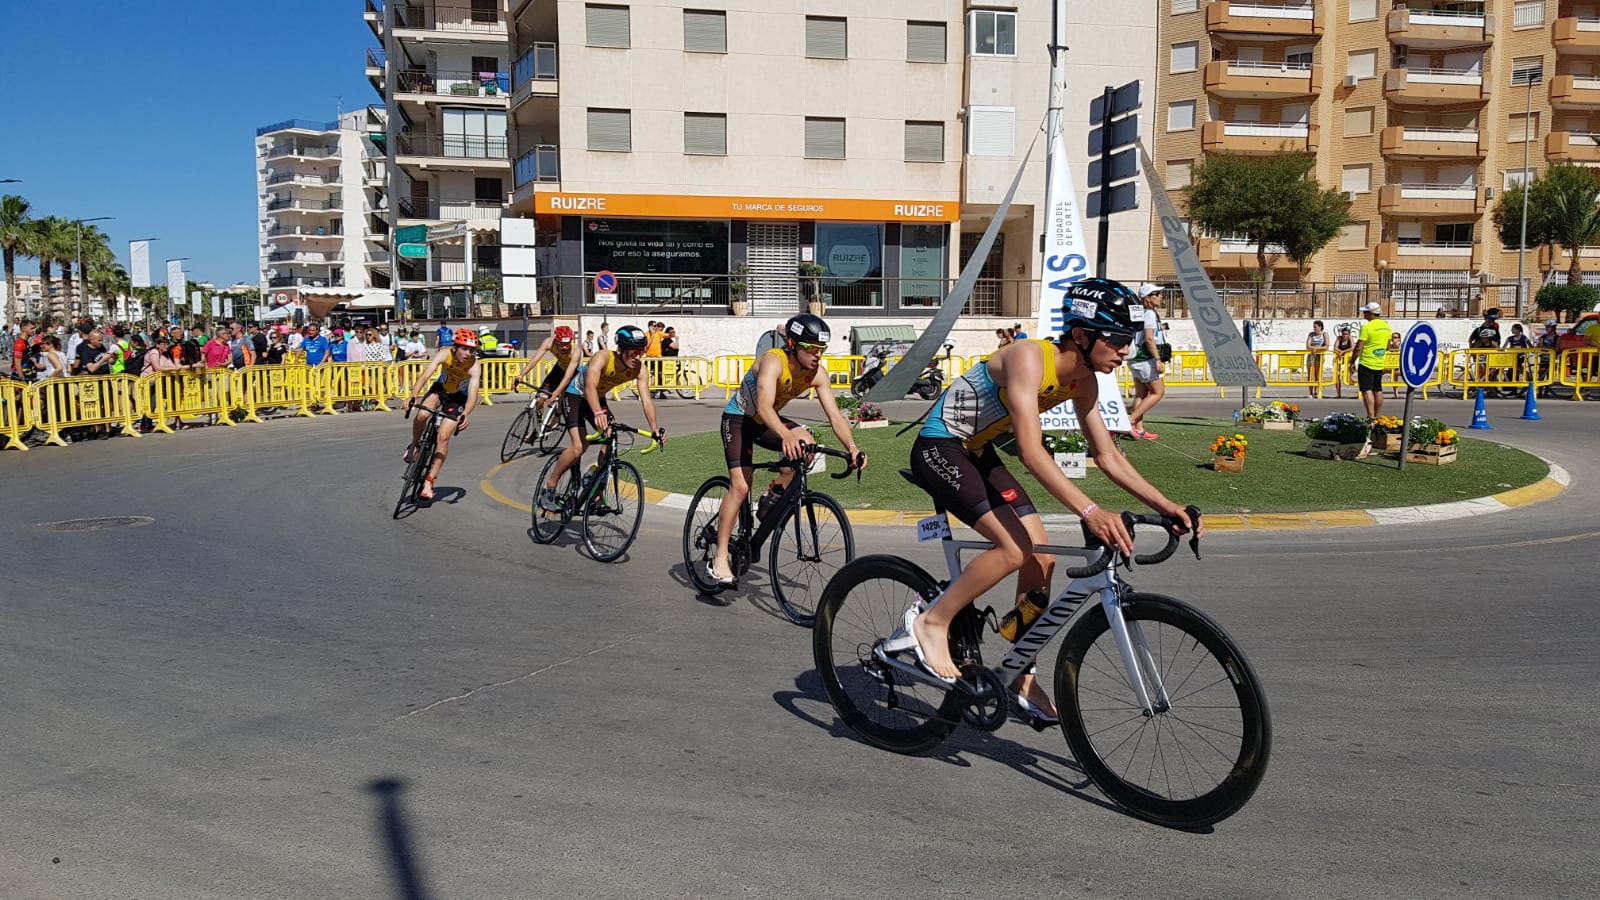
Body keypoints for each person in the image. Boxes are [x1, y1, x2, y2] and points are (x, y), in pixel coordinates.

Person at [902, 278, 1197, 721]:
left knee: (1041, 558)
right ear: (1081, 335)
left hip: (977, 451)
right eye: (1118, 339)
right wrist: (1091, 511)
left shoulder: (1086, 384)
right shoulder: (1028, 358)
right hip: (939, 447)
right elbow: (1030, 451)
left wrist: (1166, 505)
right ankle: (932, 621)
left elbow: (1107, 456)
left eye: (1131, 341)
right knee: (1012, 549)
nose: (1126, 351)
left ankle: (1020, 671)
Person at [705, 314, 865, 586]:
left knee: (806, 445)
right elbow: (765, 406)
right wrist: (785, 435)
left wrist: (851, 447)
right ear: (792, 344)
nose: (817, 356)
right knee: (741, 487)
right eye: (811, 348)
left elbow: (836, 417)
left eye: (821, 350)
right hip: (739, 419)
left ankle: (774, 493)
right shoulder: (773, 361)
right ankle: (721, 556)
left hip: (766, 421)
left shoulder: (817, 374)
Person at [538, 325, 663, 513]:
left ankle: (594, 482)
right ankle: (550, 487)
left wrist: (654, 428)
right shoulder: (602, 357)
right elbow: (589, 387)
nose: (638, 356)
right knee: (580, 446)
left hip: (597, 399)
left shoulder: (639, 369)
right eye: (633, 352)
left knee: (610, 438)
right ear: (620, 350)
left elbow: (646, 400)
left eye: (641, 352)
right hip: (576, 396)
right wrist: (598, 414)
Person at [403, 328, 482, 502]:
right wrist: (412, 395)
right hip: (440, 390)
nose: (468, 354)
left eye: (471, 350)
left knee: (443, 437)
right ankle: (415, 445)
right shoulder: (444, 353)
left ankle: (430, 481)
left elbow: (474, 393)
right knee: (423, 414)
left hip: (458, 398)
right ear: (455, 348)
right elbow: (426, 374)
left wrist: (466, 414)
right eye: (464, 349)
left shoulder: (475, 366)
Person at [511, 325, 582, 419]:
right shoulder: (548, 342)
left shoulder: (576, 351)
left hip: (573, 373)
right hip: (559, 368)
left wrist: (556, 392)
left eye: (567, 344)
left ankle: (558, 414)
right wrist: (520, 376)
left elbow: (568, 376)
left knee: (562, 397)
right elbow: (534, 360)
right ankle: (539, 426)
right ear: (556, 341)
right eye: (561, 344)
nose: (564, 348)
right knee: (540, 400)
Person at [1127, 284, 1167, 440]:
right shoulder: (1149, 313)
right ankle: (1130, 421)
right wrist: (1157, 359)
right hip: (1145, 359)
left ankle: (1139, 428)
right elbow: (1149, 338)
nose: (1160, 296)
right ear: (1147, 298)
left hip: (1135, 358)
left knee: (1141, 395)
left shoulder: (1139, 312)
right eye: (1156, 294)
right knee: (1158, 392)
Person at [1350, 302, 1393, 419]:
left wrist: (1352, 361)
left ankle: (1370, 416)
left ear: (1371, 313)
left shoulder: (1367, 327)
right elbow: (1388, 346)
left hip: (1367, 362)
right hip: (1379, 362)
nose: (1363, 314)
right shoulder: (1386, 326)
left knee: (1366, 390)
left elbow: (1359, 347)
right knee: (1377, 389)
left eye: (1365, 312)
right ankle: (1378, 416)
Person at [1332, 324, 1356, 399]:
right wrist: (1340, 352)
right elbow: (1335, 347)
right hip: (1339, 358)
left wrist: (1343, 351)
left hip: (1348, 358)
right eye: (1343, 334)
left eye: (1346, 334)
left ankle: (1352, 376)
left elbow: (1352, 347)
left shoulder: (1350, 338)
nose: (1345, 336)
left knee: (1352, 365)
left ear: (1349, 334)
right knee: (1337, 376)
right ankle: (1338, 394)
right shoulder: (1339, 338)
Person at [1305, 320, 1328, 398]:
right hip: (1311, 356)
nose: (1314, 328)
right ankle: (1310, 392)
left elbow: (1326, 346)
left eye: (1315, 327)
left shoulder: (1324, 334)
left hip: (1319, 355)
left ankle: (1316, 391)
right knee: (1310, 374)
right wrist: (1314, 348)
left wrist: (1317, 348)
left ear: (1320, 327)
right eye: (1313, 327)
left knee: (1318, 373)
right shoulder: (1311, 335)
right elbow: (1308, 346)